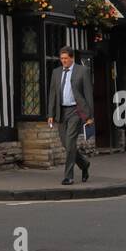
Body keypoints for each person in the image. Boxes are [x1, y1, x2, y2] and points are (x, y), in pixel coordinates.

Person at [45, 47, 93, 185]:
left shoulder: (82, 71)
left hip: (76, 111)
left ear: (72, 58)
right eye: (62, 59)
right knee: (66, 144)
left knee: (71, 141)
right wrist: (50, 114)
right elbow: (52, 94)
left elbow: (88, 94)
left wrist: (89, 115)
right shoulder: (56, 72)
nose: (64, 61)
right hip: (61, 112)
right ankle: (84, 164)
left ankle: (69, 176)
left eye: (66, 58)